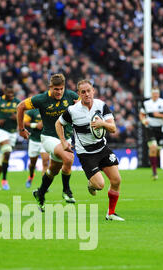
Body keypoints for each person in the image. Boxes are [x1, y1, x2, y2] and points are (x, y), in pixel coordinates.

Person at [55, 79, 124, 221]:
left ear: (93, 91)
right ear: (79, 94)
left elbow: (113, 128)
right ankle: (91, 184)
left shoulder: (101, 105)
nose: (87, 94)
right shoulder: (73, 111)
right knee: (100, 185)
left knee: (116, 180)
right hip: (86, 153)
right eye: (83, 92)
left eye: (89, 91)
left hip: (102, 148)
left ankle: (111, 213)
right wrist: (63, 141)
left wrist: (102, 123)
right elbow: (58, 123)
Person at [17, 73, 79, 212]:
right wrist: (21, 129)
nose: (59, 92)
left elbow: (85, 107)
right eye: (56, 89)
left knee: (53, 170)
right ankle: (66, 191)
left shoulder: (71, 96)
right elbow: (20, 106)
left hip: (66, 137)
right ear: (50, 87)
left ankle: (40, 193)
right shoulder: (41, 99)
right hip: (49, 138)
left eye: (61, 89)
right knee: (69, 157)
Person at [139, 88, 163, 180]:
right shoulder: (146, 103)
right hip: (150, 128)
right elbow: (141, 114)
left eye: (157, 93)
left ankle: (156, 165)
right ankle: (154, 172)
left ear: (159, 94)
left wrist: (157, 115)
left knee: (158, 150)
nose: (155, 95)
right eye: (154, 94)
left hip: (161, 129)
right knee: (153, 148)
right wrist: (143, 120)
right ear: (151, 94)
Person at [23, 108, 50, 188]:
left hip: (45, 140)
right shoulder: (31, 111)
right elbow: (24, 122)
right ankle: (31, 176)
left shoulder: (50, 110)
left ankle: (44, 185)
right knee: (32, 164)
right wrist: (35, 125)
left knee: (45, 162)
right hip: (34, 140)